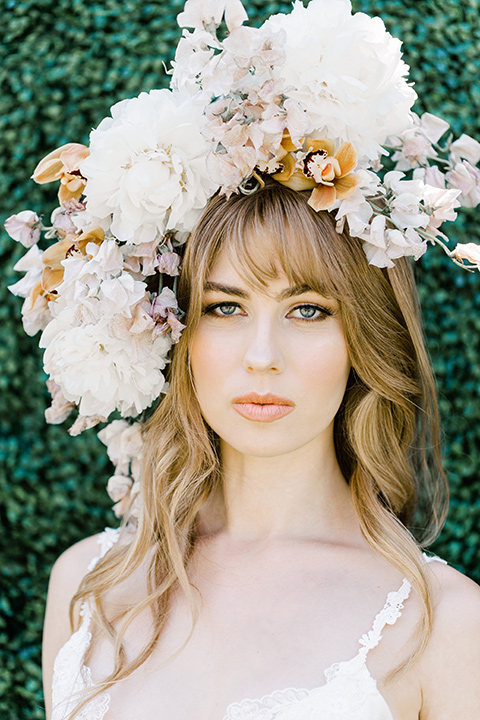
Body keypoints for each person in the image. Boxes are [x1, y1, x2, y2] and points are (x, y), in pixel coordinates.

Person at [5, 1, 480, 719]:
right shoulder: (89, 585)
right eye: (224, 309)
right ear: (172, 328)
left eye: (308, 311)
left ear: (366, 337)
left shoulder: (445, 626)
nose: (263, 357)